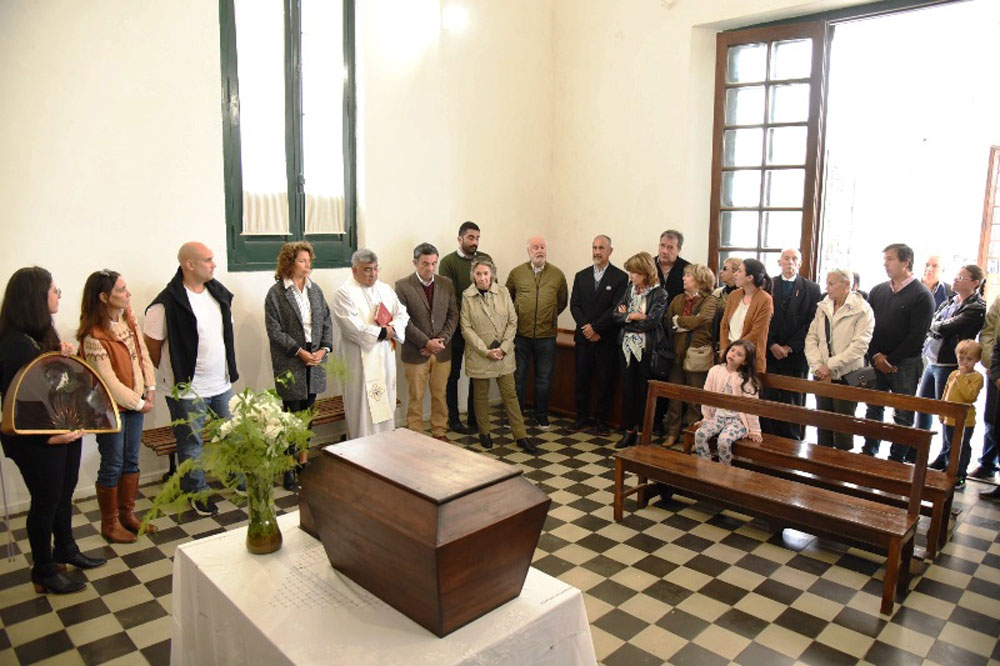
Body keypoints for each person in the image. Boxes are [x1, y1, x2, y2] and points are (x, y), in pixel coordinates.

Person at [0, 267, 105, 594]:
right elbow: (20, 401)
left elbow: (53, 385)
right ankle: (44, 570)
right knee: (45, 502)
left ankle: (66, 550)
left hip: (62, 433)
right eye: (54, 289)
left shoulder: (40, 334)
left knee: (62, 495)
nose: (59, 294)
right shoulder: (15, 344)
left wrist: (61, 355)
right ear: (35, 297)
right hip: (36, 439)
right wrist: (50, 436)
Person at [144, 242, 238, 517]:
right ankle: (196, 492)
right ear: (190, 264)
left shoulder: (217, 293)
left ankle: (235, 478)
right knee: (191, 444)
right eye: (208, 260)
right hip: (187, 388)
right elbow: (152, 347)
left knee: (231, 434)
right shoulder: (166, 303)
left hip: (220, 382)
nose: (214, 264)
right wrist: (172, 375)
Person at [78, 270, 156, 543]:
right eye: (121, 290)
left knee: (131, 460)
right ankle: (109, 524)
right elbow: (107, 382)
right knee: (113, 463)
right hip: (110, 410)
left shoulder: (128, 322)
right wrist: (138, 402)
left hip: (136, 404)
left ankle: (128, 514)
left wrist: (151, 389)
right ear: (103, 297)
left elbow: (143, 356)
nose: (128, 294)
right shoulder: (93, 335)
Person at [264, 241, 334, 491]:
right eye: (303, 261)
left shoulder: (315, 290)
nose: (308, 265)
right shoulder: (276, 293)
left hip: (314, 358)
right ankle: (288, 467)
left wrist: (324, 349)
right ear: (289, 263)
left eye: (309, 261)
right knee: (290, 416)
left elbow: (326, 320)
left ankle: (303, 463)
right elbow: (275, 331)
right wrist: (300, 352)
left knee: (308, 415)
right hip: (291, 359)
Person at [861, 243, 936, 461]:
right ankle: (869, 451)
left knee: (903, 413)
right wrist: (875, 356)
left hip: (905, 363)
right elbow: (867, 327)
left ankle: (896, 459)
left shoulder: (921, 295)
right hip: (876, 360)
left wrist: (891, 359)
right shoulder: (878, 290)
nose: (886, 264)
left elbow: (917, 336)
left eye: (891, 259)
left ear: (906, 262)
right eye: (884, 259)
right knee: (873, 408)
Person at [333, 249, 409, 439]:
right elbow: (352, 328)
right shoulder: (345, 293)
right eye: (367, 269)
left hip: (384, 357)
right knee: (362, 407)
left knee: (386, 402)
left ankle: (385, 445)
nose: (373, 274)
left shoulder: (385, 289)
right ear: (354, 270)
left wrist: (393, 327)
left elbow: (402, 313)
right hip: (359, 359)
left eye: (376, 269)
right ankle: (360, 452)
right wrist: (383, 332)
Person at [460, 259, 533, 452]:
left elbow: (512, 321)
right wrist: (485, 350)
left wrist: (504, 347)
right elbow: (466, 328)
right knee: (481, 396)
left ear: (491, 274)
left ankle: (521, 435)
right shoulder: (467, 296)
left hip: (504, 354)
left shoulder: (503, 292)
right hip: (480, 354)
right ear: (473, 276)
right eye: (479, 274)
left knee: (511, 396)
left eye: (486, 273)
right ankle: (485, 433)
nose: (483, 278)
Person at [915, 264, 986, 448]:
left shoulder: (976, 307)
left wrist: (936, 327)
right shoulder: (950, 301)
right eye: (956, 276)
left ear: (974, 283)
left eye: (961, 277)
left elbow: (946, 327)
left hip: (950, 364)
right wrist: (936, 327)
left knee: (947, 414)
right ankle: (917, 449)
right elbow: (933, 322)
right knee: (923, 408)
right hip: (932, 361)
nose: (955, 279)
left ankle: (947, 457)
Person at [804, 269, 875, 449]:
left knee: (843, 428)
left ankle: (842, 470)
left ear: (847, 285)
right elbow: (812, 338)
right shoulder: (824, 307)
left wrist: (830, 366)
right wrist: (818, 367)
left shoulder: (862, 310)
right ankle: (822, 469)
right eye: (827, 282)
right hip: (822, 375)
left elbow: (859, 346)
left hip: (847, 375)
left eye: (832, 283)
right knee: (823, 425)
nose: (827, 287)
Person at [395, 243, 458, 442]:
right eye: (425, 264)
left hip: (442, 351)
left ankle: (440, 431)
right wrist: (426, 342)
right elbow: (403, 320)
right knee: (416, 397)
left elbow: (453, 315)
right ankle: (415, 435)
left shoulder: (446, 283)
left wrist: (442, 340)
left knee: (440, 394)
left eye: (433, 263)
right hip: (416, 352)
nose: (430, 268)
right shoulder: (402, 286)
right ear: (415, 263)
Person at [506, 236, 568, 429]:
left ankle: (541, 416)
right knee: (518, 378)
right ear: (528, 251)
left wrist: (548, 316)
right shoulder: (516, 273)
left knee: (544, 379)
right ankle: (515, 417)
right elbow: (508, 299)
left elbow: (562, 302)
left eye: (542, 247)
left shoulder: (557, 274)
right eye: (535, 247)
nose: (539, 250)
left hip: (546, 337)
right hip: (520, 335)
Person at [568, 235, 628, 434]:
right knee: (582, 380)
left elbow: (615, 308)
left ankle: (601, 421)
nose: (597, 252)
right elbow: (574, 305)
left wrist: (596, 328)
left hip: (605, 339)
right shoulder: (581, 275)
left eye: (602, 248)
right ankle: (581, 417)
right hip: (584, 338)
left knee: (605, 382)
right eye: (594, 247)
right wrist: (586, 327)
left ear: (610, 251)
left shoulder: (620, 277)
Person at [438, 221, 492, 434]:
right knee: (453, 375)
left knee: (477, 374)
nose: (475, 242)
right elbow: (449, 298)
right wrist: (466, 320)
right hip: (457, 330)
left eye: (477, 238)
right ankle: (453, 418)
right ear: (459, 238)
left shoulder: (485, 260)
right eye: (471, 238)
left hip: (481, 330)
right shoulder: (448, 262)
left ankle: (474, 417)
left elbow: (491, 289)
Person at [762, 249, 821, 439]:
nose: (790, 262)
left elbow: (811, 323)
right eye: (786, 258)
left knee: (793, 401)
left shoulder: (812, 289)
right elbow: (762, 319)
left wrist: (789, 347)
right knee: (768, 398)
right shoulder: (767, 284)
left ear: (800, 263)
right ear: (779, 262)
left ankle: (792, 442)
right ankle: (768, 439)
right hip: (770, 352)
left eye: (794, 258)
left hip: (795, 354)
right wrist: (771, 344)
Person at [612, 252, 668, 449]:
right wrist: (633, 316)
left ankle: (645, 435)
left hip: (647, 350)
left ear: (645, 273)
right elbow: (614, 315)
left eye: (635, 273)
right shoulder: (630, 290)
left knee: (644, 393)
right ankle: (629, 432)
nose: (631, 277)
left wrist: (627, 317)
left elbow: (652, 322)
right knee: (628, 391)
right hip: (626, 348)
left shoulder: (659, 293)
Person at [663, 264, 717, 447]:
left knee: (695, 400)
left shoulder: (710, 300)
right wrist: (685, 323)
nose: (684, 279)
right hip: (676, 355)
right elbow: (668, 321)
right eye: (685, 275)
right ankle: (672, 433)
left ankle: (693, 436)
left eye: (688, 276)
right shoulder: (677, 299)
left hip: (697, 356)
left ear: (700, 280)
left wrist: (681, 322)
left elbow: (703, 320)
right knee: (674, 396)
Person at [692, 340, 763, 466]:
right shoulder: (715, 370)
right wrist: (706, 418)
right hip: (719, 416)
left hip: (737, 420)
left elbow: (752, 407)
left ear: (745, 361)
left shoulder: (746, 380)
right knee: (700, 434)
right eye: (732, 350)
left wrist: (755, 430)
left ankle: (724, 470)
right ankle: (705, 466)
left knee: (724, 440)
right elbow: (707, 396)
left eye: (739, 354)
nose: (733, 354)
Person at [931, 339, 983, 486]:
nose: (964, 362)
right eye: (961, 358)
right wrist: (942, 411)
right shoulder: (953, 374)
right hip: (949, 418)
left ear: (977, 360)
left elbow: (969, 396)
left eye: (969, 359)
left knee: (962, 447)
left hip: (965, 420)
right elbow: (946, 393)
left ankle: (960, 475)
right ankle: (950, 470)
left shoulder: (976, 377)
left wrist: (962, 378)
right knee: (949, 445)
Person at [719, 258, 773, 375]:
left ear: (750, 277)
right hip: (728, 356)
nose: (735, 274)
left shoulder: (765, 299)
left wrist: (734, 351)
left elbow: (756, 333)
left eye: (739, 271)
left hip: (749, 358)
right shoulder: (734, 295)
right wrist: (725, 348)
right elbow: (724, 324)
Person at [971, 294, 1000, 485]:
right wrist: (993, 367)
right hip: (996, 371)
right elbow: (990, 332)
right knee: (993, 421)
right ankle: (988, 464)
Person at [654, 229, 690, 304]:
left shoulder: (688, 269)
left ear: (679, 249)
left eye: (670, 247)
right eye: (662, 245)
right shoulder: (647, 265)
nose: (664, 251)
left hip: (677, 313)